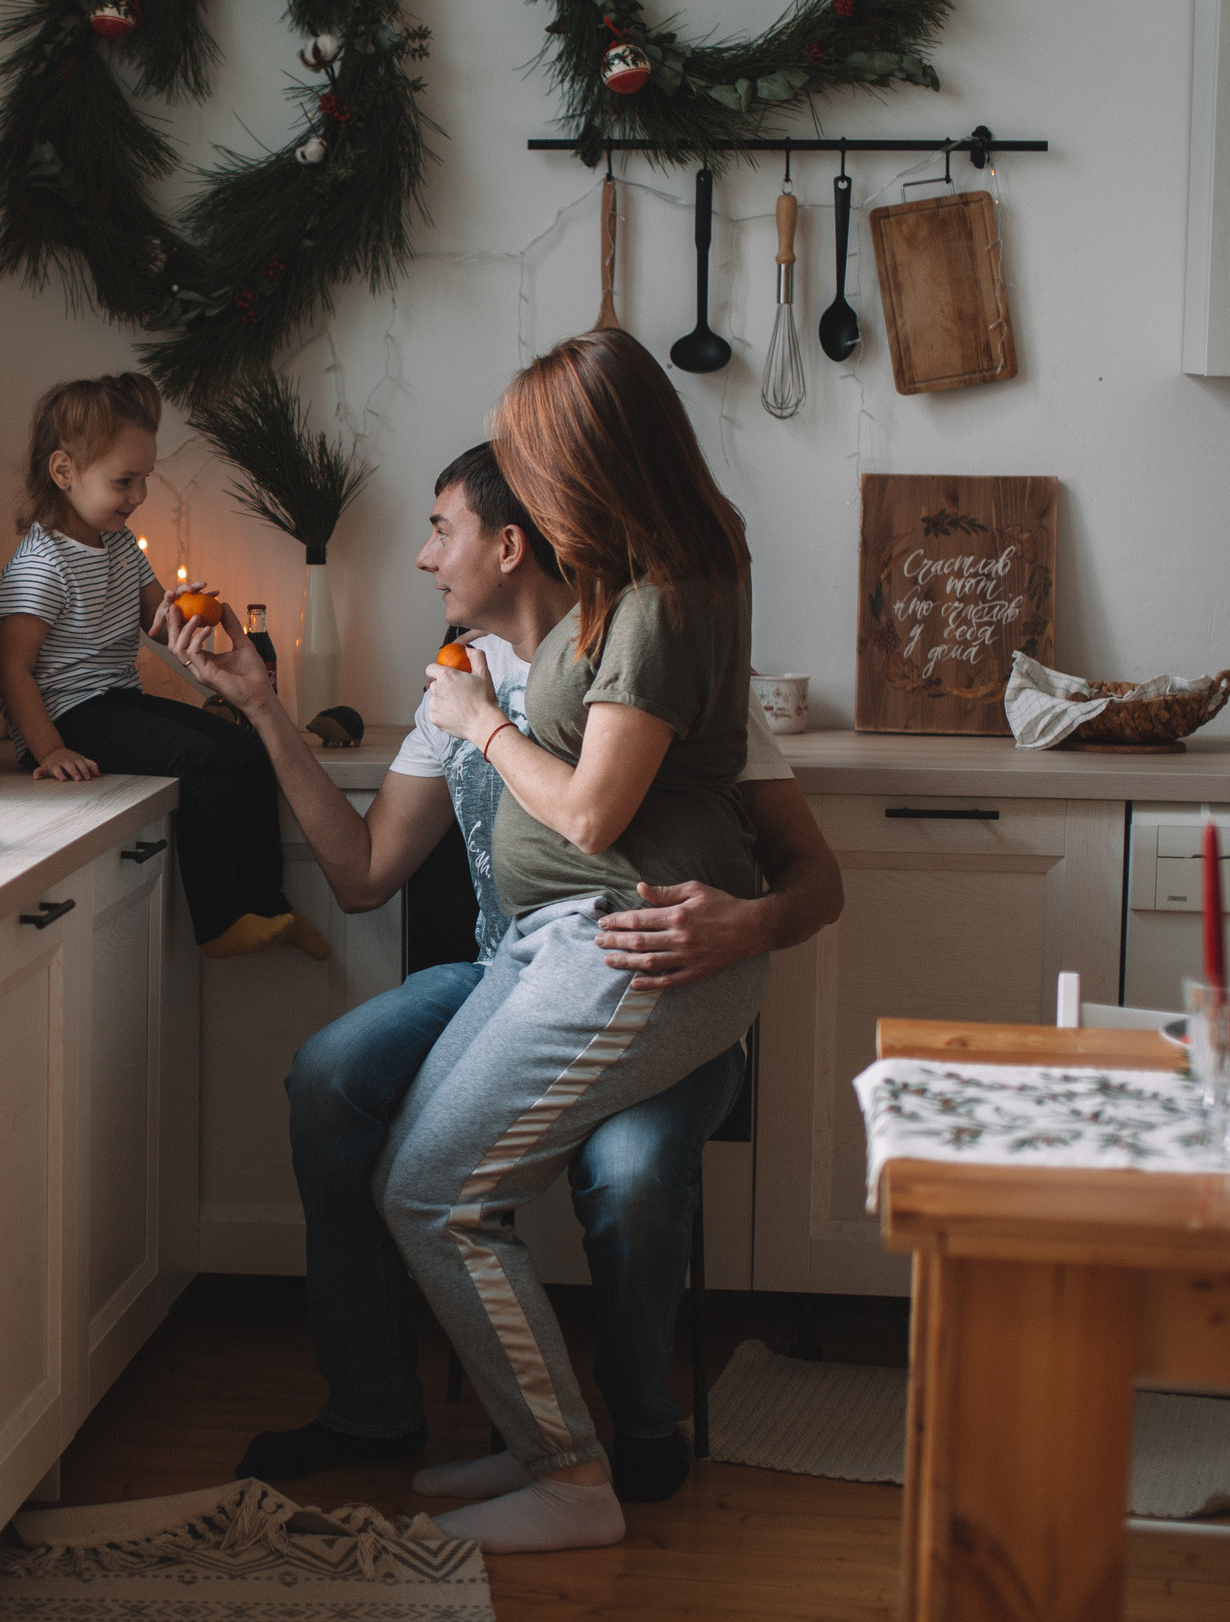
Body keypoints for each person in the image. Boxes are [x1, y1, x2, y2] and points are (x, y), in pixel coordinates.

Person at [161, 345, 838, 1545]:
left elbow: (599, 818)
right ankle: (487, 1431)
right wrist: (263, 703)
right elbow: (365, 874)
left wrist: (481, 723)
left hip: (629, 949)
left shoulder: (653, 615)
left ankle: (591, 1466)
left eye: (446, 526)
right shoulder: (589, 617)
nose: (428, 554)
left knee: (449, 1194)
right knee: (390, 1151)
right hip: (537, 956)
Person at [0, 373, 326, 961]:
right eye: (125, 481)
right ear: (64, 471)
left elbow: (160, 624)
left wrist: (191, 615)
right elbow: (13, 669)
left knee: (243, 746)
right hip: (69, 716)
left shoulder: (119, 545)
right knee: (199, 759)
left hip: (115, 699)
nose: (139, 494)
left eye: (143, 478)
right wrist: (47, 750)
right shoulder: (40, 563)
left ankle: (268, 904)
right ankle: (220, 920)